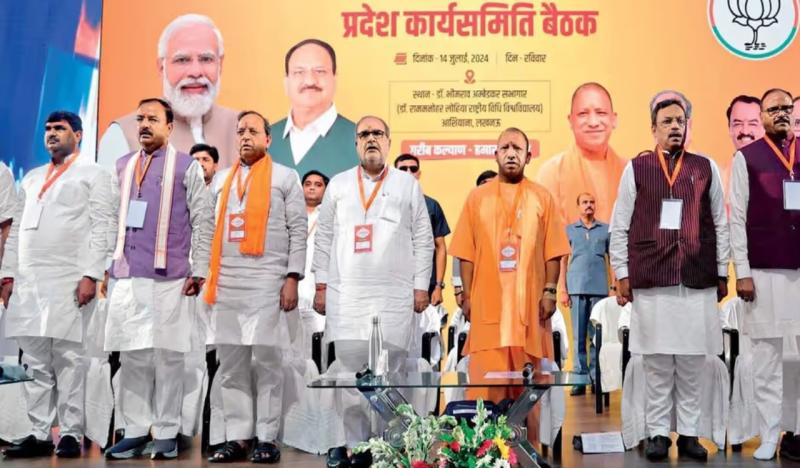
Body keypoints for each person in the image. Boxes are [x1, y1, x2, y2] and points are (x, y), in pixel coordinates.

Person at [610, 98, 729, 462]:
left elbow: (720, 223)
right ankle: (658, 434)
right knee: (657, 364)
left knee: (693, 364)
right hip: (652, 278)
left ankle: (690, 435)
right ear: (654, 128)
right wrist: (622, 273)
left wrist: (722, 271)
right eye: (667, 121)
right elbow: (620, 225)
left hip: (696, 279)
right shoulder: (637, 168)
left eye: (680, 120)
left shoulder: (705, 167)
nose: (675, 126)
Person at [312, 115, 433, 468]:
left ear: (389, 141)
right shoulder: (338, 185)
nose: (371, 139)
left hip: (393, 297)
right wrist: (320, 285)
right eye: (364, 134)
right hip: (346, 297)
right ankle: (357, 447)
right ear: (355, 143)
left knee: (390, 375)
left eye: (377, 133)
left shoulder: (407, 185)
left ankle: (388, 448)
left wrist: (421, 287)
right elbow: (323, 238)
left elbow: (423, 239)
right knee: (350, 377)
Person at [1, 112, 117, 459]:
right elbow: (16, 230)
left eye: (60, 129)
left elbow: (104, 226)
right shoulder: (32, 178)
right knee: (34, 360)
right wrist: (7, 274)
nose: (51, 134)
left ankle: (70, 432)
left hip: (70, 278)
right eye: (48, 129)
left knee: (69, 359)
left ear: (78, 135)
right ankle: (39, 432)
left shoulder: (94, 174)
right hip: (30, 281)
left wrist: (92, 274)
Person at [104, 98, 214, 460]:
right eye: (140, 119)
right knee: (132, 355)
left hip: (171, 278)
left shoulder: (186, 166)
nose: (144, 124)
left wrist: (200, 269)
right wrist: (104, 265)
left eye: (153, 119)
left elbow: (203, 219)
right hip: (127, 275)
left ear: (169, 126)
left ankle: (166, 431)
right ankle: (136, 430)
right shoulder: (123, 165)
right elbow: (110, 218)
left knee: (169, 356)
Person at [204, 110, 306, 463]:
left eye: (252, 130)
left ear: (268, 138)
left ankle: (267, 437)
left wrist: (292, 277)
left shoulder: (285, 177)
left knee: (267, 362)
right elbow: (207, 230)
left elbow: (298, 230)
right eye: (240, 131)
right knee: (231, 365)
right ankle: (238, 437)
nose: (245, 136)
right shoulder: (221, 180)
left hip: (267, 281)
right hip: (226, 282)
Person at [450, 127, 569, 405]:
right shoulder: (477, 198)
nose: (511, 154)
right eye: (505, 148)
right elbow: (465, 253)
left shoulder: (542, 197)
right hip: (488, 312)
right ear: (495, 155)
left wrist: (550, 291)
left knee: (528, 396)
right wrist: (467, 296)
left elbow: (553, 251)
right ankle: (484, 435)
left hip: (530, 310)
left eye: (517, 148)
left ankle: (527, 435)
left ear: (528, 157)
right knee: (484, 395)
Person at [729, 88, 800, 461]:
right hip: (762, 272)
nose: (782, 113)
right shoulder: (747, 158)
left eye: (787, 108)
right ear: (762, 117)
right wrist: (742, 272)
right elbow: (736, 219)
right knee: (767, 359)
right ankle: (770, 435)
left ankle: (799, 431)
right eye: (774, 109)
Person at [98, 14, 239, 169]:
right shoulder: (123, 135)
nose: (196, 72)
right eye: (182, 60)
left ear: (220, 64)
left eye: (206, 59)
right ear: (161, 67)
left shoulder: (244, 128)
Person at [536, 83, 625, 307]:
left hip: (617, 284)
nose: (593, 122)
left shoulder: (629, 171)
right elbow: (550, 243)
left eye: (601, 113)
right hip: (572, 285)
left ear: (614, 119)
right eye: (583, 114)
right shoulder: (551, 173)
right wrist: (559, 288)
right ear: (570, 120)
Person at [269, 39, 359, 177]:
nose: (310, 81)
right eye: (299, 72)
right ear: (286, 82)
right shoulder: (263, 140)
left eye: (320, 71)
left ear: (335, 79)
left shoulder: (361, 140)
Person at [563, 192, 611, 396]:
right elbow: (563, 261)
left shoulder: (606, 230)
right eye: (584, 202)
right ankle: (579, 379)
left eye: (592, 202)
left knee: (597, 337)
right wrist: (563, 289)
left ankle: (596, 378)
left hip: (599, 290)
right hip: (576, 289)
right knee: (578, 337)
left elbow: (612, 259)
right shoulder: (569, 230)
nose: (589, 205)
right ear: (578, 206)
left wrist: (614, 286)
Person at [394, 154, 450, 305]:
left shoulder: (432, 205)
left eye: (413, 169)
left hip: (426, 286)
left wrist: (438, 286)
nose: (408, 172)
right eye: (403, 169)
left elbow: (440, 247)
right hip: (394, 283)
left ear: (418, 173)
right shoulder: (385, 204)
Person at [452, 169, 496, 306]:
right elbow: (460, 251)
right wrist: (458, 289)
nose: (488, 188)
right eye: (484, 184)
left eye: (493, 184)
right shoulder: (470, 215)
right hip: (476, 286)